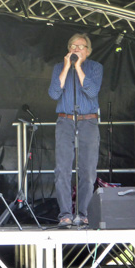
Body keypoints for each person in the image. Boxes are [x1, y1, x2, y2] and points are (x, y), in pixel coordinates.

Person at [48, 33, 103, 228]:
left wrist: (78, 67)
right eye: (73, 45)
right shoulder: (58, 68)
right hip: (65, 121)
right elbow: (54, 93)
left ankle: (83, 213)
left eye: (80, 46)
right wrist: (66, 68)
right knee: (62, 169)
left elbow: (92, 91)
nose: (76, 49)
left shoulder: (95, 67)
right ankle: (65, 214)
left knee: (87, 170)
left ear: (87, 51)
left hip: (88, 121)